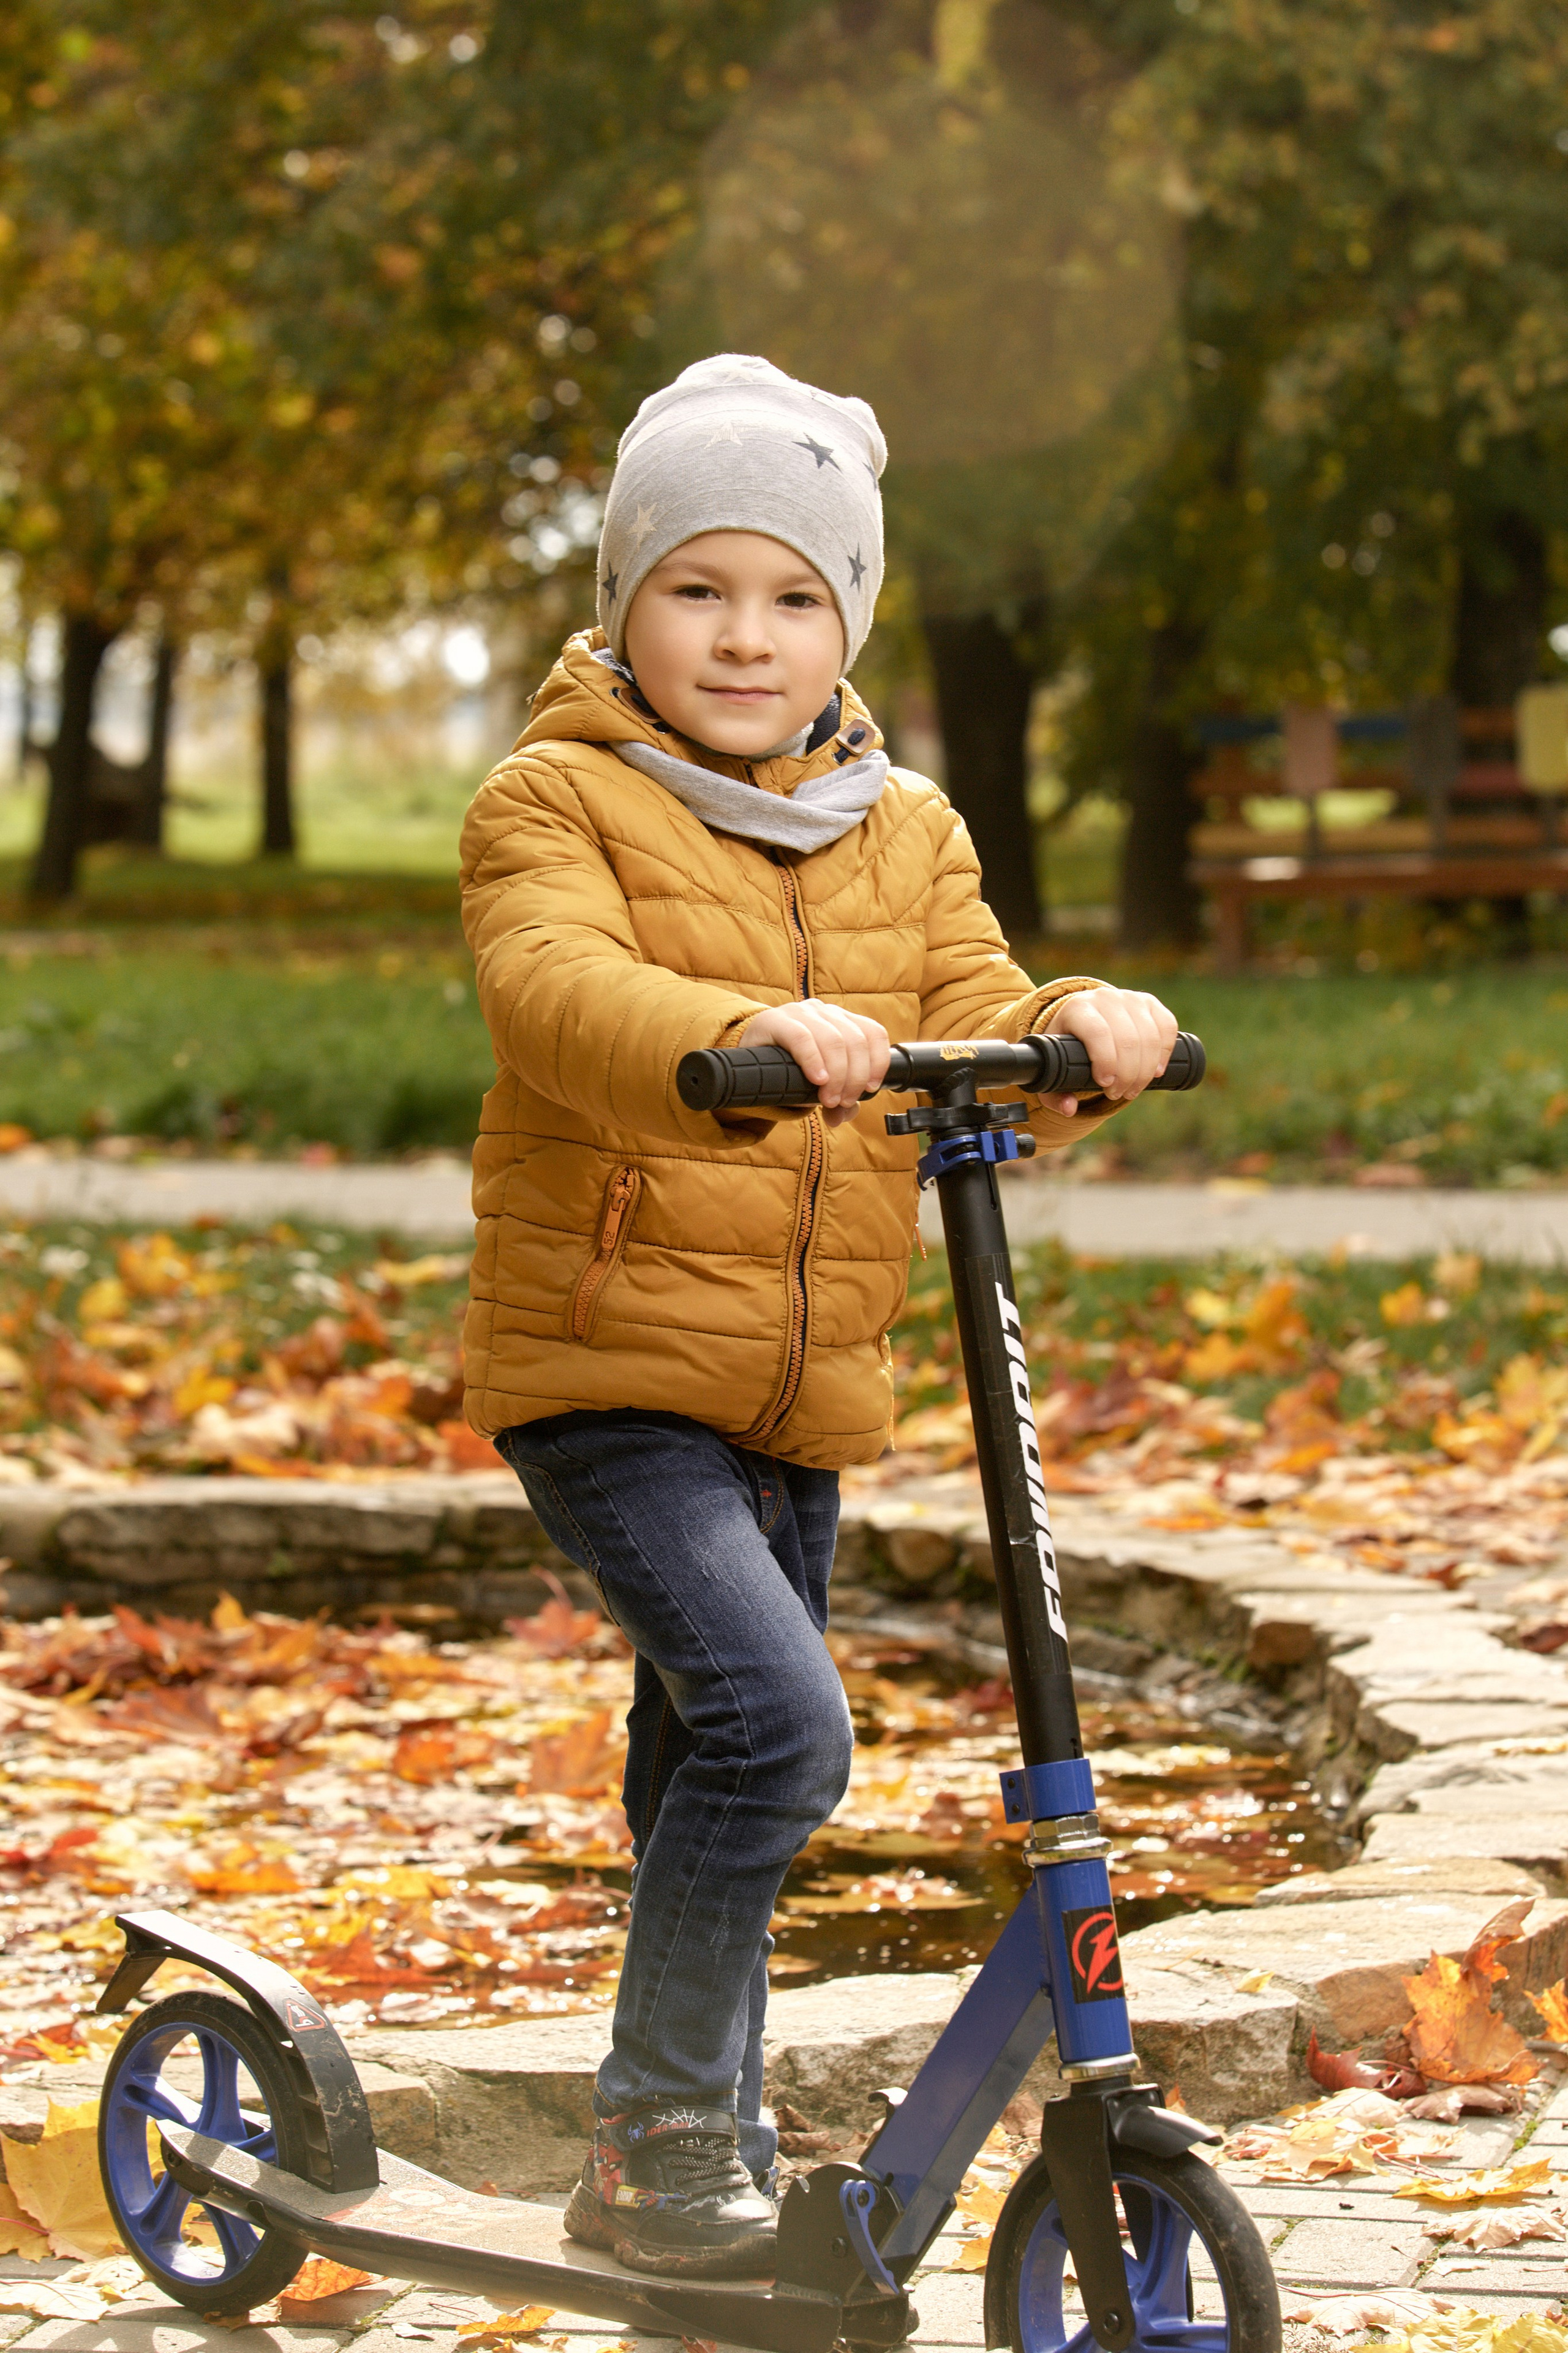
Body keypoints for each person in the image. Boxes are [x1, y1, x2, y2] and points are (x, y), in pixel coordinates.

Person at [459, 354, 1177, 2279]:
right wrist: (735, 1039)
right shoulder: (556, 798)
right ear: (622, 599)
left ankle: (701, 2117)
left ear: (847, 618)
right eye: (698, 588)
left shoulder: (906, 823)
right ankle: (660, 2132)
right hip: (609, 1367)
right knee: (781, 1733)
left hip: (799, 1391)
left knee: (703, 1756)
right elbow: (555, 990)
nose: (746, 636)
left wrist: (1083, 1039)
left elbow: (988, 1019)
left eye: (795, 596)